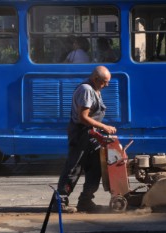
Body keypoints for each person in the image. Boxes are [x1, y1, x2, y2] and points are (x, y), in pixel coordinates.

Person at [57, 66, 117, 213]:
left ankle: (85, 201)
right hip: (81, 134)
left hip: (91, 135)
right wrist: (104, 127)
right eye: (104, 82)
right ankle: (60, 203)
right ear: (95, 79)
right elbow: (83, 117)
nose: (107, 85)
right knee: (74, 168)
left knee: (95, 167)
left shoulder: (96, 89)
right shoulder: (87, 90)